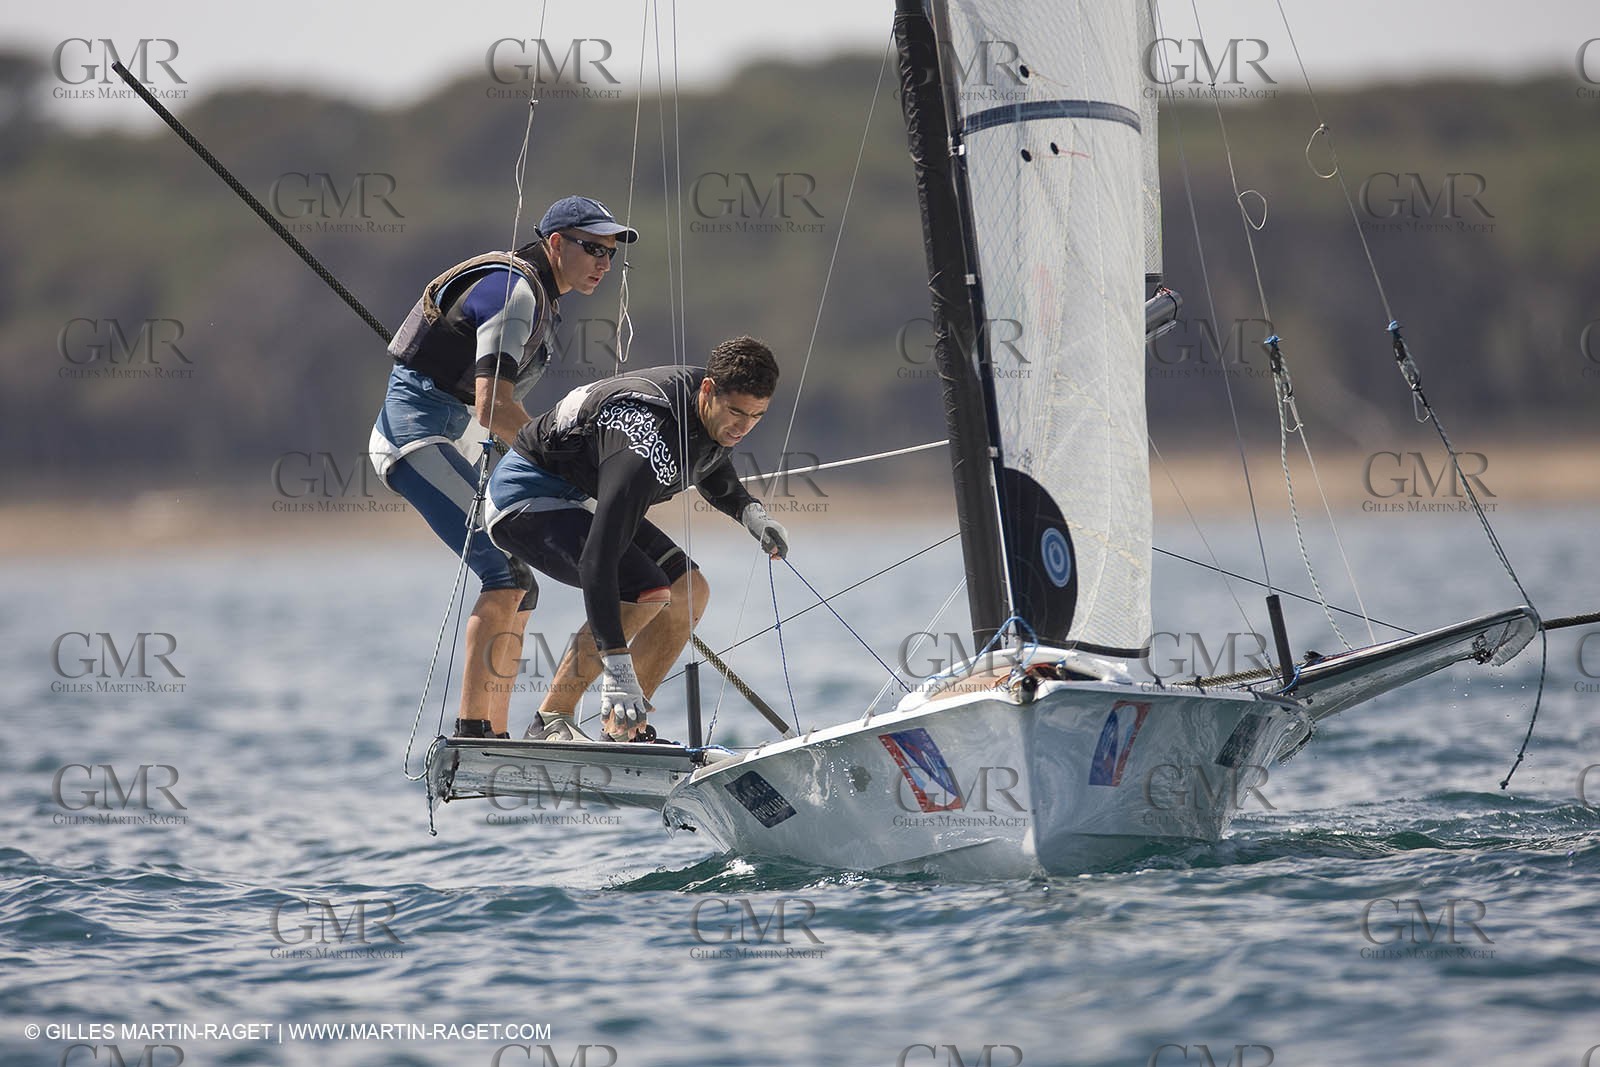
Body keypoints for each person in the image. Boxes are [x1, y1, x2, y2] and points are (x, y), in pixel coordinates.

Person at [370, 195, 639, 739]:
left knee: (525, 586)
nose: (603, 264)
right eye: (592, 248)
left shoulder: (538, 298)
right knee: (505, 574)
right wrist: (564, 465)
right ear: (555, 243)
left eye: (611, 255)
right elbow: (494, 408)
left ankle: (496, 732)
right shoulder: (516, 291)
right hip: (412, 441)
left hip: (451, 442)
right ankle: (475, 733)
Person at [484, 336, 789, 742]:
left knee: (688, 591)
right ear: (709, 390)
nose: (743, 427)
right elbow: (598, 562)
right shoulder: (643, 446)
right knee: (646, 589)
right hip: (524, 499)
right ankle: (551, 719)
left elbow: (709, 456)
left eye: (756, 416)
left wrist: (751, 513)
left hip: (581, 497)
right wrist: (617, 666)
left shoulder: (708, 410)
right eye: (736, 412)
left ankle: (623, 726)